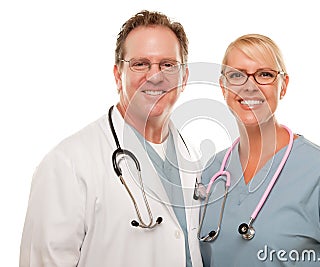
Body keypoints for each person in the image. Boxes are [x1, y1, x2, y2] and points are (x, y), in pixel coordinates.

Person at [20, 10, 203, 267]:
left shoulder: (194, 158)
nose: (155, 76)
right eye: (140, 64)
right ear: (118, 76)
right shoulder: (67, 164)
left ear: (183, 78)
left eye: (168, 65)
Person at [197, 34, 320, 266]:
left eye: (265, 75)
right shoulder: (212, 173)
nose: (250, 86)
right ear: (223, 87)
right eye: (237, 75)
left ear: (283, 86)